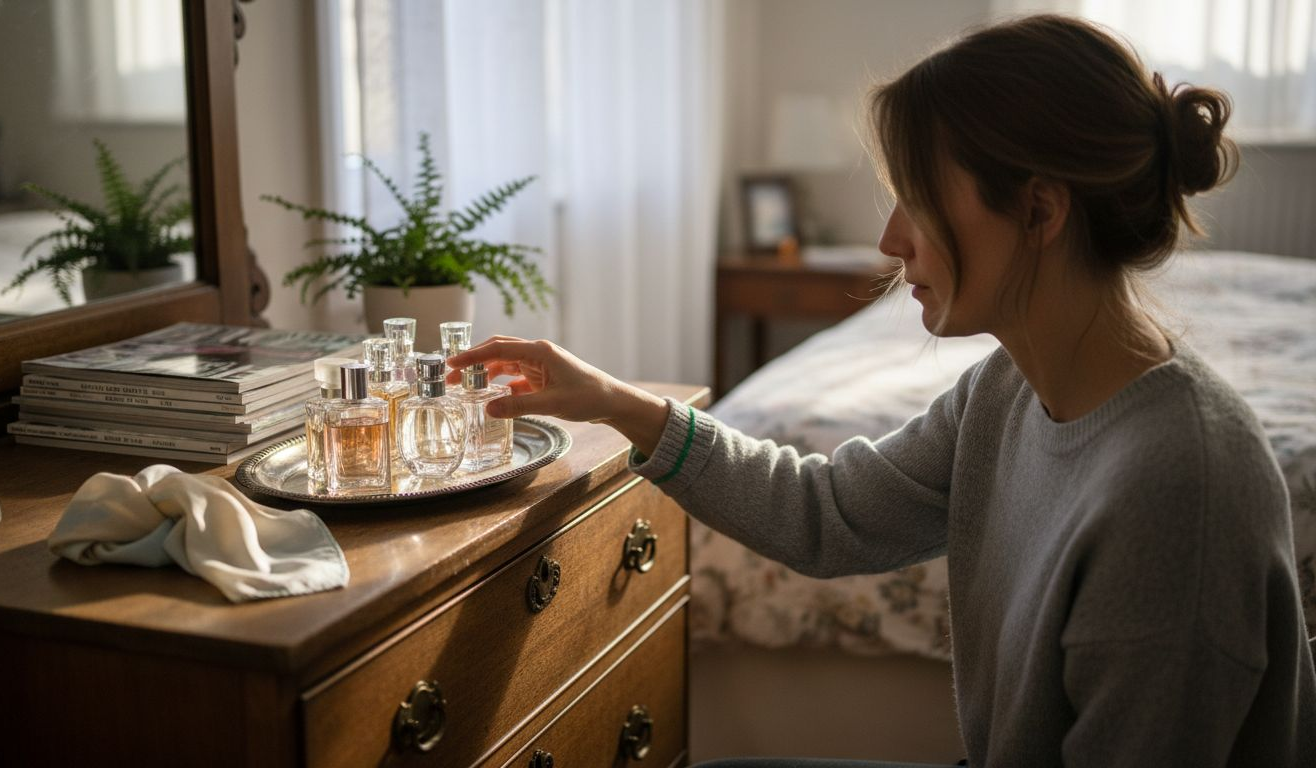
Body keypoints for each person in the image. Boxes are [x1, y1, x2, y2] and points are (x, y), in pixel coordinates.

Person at [446, 14, 1316, 767]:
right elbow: (827, 512)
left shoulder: (1181, 486)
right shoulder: (1007, 390)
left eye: (919, 200)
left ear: (1041, 212)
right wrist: (620, 403)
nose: (892, 239)